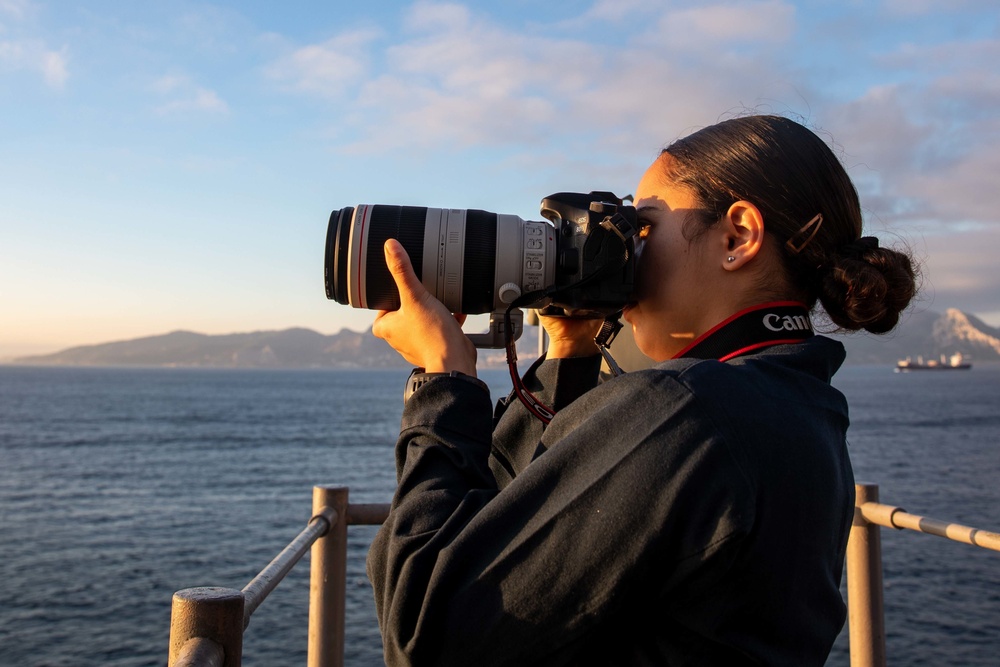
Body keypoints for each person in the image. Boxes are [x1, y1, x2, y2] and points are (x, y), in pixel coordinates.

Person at [365, 114, 918, 666]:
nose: (627, 252)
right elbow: (510, 517)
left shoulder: (689, 410)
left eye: (645, 227)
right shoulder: (798, 407)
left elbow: (425, 633)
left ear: (737, 236)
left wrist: (443, 380)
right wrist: (570, 355)